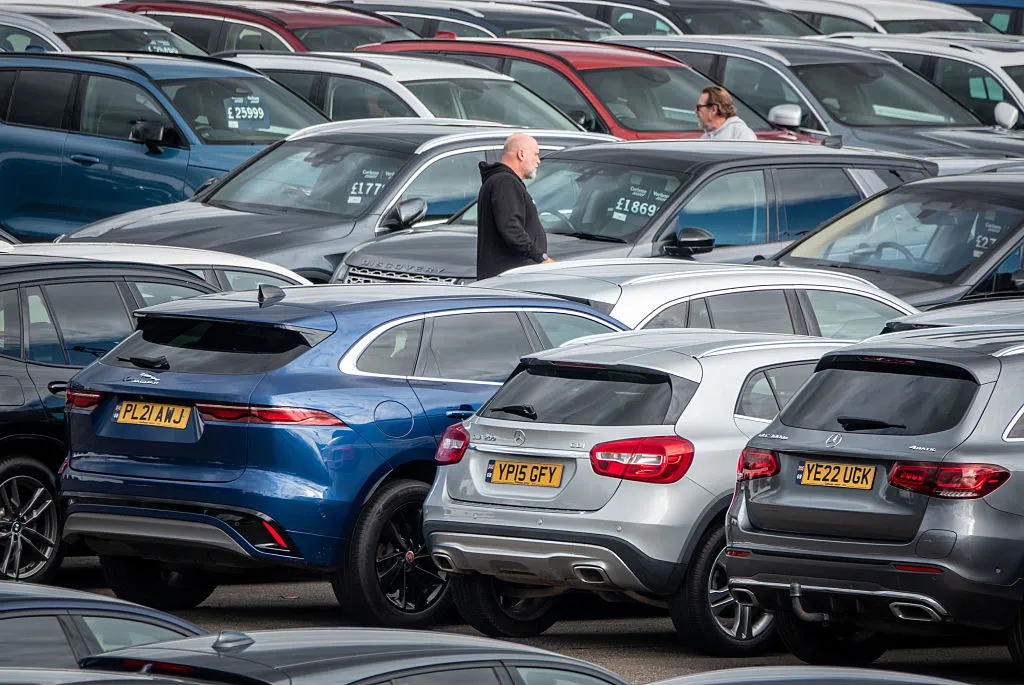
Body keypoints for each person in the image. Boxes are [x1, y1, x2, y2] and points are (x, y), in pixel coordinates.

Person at [476, 133, 555, 280]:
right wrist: (540, 257)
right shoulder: (505, 182)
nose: (538, 161)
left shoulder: (502, 181)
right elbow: (511, 227)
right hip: (509, 279)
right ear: (522, 154)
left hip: (509, 276)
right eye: (536, 154)